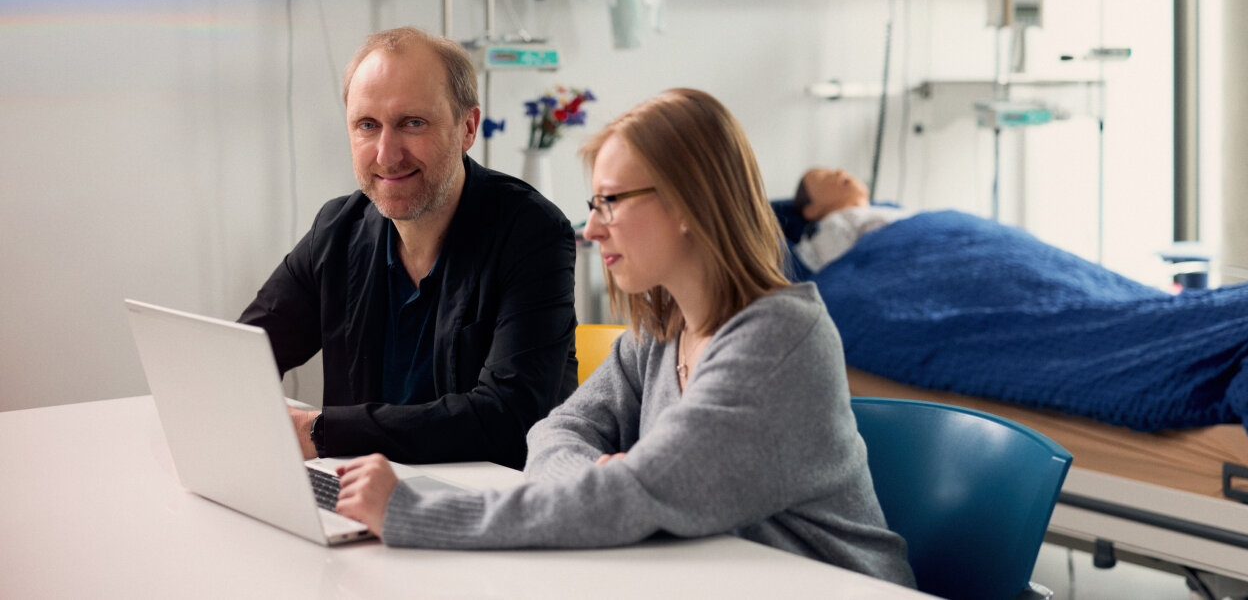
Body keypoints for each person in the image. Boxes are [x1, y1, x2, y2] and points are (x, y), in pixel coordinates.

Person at [332, 88, 916, 586]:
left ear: (690, 202)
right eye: (594, 203)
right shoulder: (660, 332)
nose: (591, 227)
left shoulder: (779, 341)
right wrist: (602, 482)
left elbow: (637, 496)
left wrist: (420, 513)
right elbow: (556, 431)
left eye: (611, 201)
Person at [238, 27, 578, 469]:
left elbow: (505, 419)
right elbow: (244, 355)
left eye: (412, 123)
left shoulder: (531, 233)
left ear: (467, 128)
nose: (386, 154)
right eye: (367, 126)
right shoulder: (337, 230)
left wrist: (319, 431)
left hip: (487, 504)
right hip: (365, 489)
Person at [790, 167, 911, 273]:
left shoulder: (889, 209)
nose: (840, 171)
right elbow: (841, 275)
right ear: (811, 210)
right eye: (824, 177)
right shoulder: (832, 226)